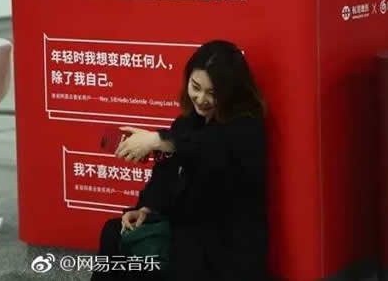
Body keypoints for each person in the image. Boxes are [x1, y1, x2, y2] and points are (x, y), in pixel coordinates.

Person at [92, 40, 268, 281]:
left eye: (213, 93)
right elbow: (164, 177)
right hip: (184, 231)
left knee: (161, 262)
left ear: (231, 92)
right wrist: (145, 209)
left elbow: (209, 148)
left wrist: (158, 140)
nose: (201, 99)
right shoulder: (187, 123)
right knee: (115, 233)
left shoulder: (247, 127)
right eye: (196, 87)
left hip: (224, 246)